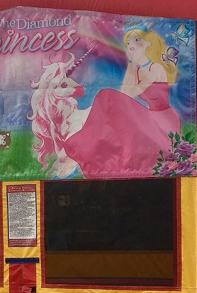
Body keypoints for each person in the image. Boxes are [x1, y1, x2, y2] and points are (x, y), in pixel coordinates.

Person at [61, 27, 182, 179]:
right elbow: (126, 94)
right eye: (128, 42)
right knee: (106, 97)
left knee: (107, 96)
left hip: (162, 118)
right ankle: (94, 152)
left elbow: (135, 91)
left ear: (147, 44)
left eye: (137, 40)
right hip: (149, 115)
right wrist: (132, 65)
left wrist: (133, 64)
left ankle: (93, 153)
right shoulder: (137, 69)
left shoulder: (156, 67)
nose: (131, 44)